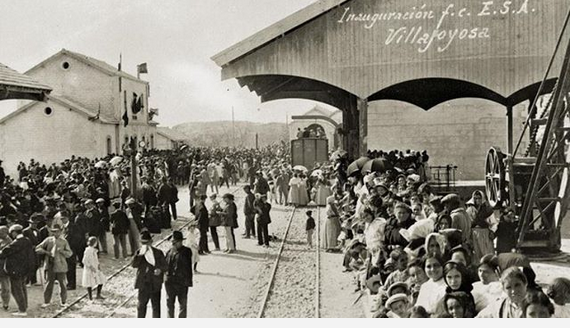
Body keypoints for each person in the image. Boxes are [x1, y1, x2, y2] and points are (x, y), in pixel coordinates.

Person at [0, 224, 35, 316]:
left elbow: (4, 252)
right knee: (22, 288)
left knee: (16, 290)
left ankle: (22, 310)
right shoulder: (27, 240)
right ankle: (24, 307)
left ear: (14, 232)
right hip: (24, 269)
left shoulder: (17, 242)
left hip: (16, 270)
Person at [132, 230, 168, 318]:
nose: (145, 245)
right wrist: (140, 255)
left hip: (155, 284)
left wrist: (160, 270)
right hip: (143, 284)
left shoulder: (158, 253)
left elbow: (165, 266)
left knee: (156, 307)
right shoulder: (139, 253)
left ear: (151, 242)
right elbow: (134, 264)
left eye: (146, 243)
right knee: (141, 306)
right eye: (142, 243)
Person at [36, 224, 73, 308]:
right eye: (53, 232)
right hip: (50, 265)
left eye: (56, 231)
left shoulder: (64, 241)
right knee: (49, 283)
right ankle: (46, 301)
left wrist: (62, 251)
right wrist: (46, 252)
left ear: (60, 231)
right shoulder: (48, 240)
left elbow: (70, 253)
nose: (55, 233)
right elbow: (38, 248)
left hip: (61, 265)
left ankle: (63, 302)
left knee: (62, 284)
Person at [165, 230, 193, 318]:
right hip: (170, 283)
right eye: (172, 242)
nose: (173, 244)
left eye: (175, 242)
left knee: (182, 306)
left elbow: (185, 265)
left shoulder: (186, 251)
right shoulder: (169, 252)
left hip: (182, 283)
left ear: (180, 241)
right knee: (170, 305)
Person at [465, 190, 495, 263]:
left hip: (485, 233)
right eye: (475, 198)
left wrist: (492, 231)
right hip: (474, 233)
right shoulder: (469, 210)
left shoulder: (487, 210)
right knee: (476, 253)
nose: (477, 200)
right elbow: (467, 223)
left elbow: (493, 222)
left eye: (479, 198)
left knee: (487, 253)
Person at [82, 236, 106, 301]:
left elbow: (96, 259)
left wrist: (98, 266)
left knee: (101, 280)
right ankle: (90, 297)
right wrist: (90, 267)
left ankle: (98, 294)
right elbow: (84, 260)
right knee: (89, 283)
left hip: (95, 268)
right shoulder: (88, 251)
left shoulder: (94, 250)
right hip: (90, 269)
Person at [0, 226, 12, 310]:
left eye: (1, 233)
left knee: (5, 287)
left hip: (4, 267)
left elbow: (6, 253)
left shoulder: (10, 241)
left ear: (6, 232)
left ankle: (5, 303)